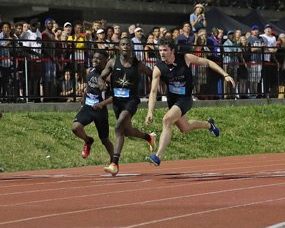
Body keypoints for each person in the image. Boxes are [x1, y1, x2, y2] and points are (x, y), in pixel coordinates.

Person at [146, 36, 234, 167]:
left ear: (172, 50)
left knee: (166, 120)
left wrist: (225, 74)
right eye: (160, 50)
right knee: (184, 128)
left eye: (165, 50)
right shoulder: (159, 68)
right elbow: (153, 91)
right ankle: (209, 125)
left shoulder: (186, 58)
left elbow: (208, 62)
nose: (162, 53)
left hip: (185, 98)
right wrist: (150, 111)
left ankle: (158, 156)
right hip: (173, 100)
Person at [98, 37, 157, 176]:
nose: (125, 46)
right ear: (119, 47)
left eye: (128, 44)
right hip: (117, 102)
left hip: (131, 100)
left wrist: (152, 91)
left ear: (131, 47)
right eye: (122, 44)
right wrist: (101, 83)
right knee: (127, 131)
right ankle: (149, 137)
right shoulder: (113, 62)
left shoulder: (137, 64)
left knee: (118, 126)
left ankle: (115, 164)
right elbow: (101, 77)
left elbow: (152, 74)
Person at [71, 50, 115, 161]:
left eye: (98, 58)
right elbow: (89, 85)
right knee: (75, 128)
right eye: (94, 57)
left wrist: (102, 104)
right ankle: (88, 140)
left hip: (100, 111)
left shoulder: (109, 77)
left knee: (105, 140)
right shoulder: (89, 71)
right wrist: (84, 95)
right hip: (87, 107)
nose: (95, 60)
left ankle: (114, 161)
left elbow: (115, 97)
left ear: (105, 61)